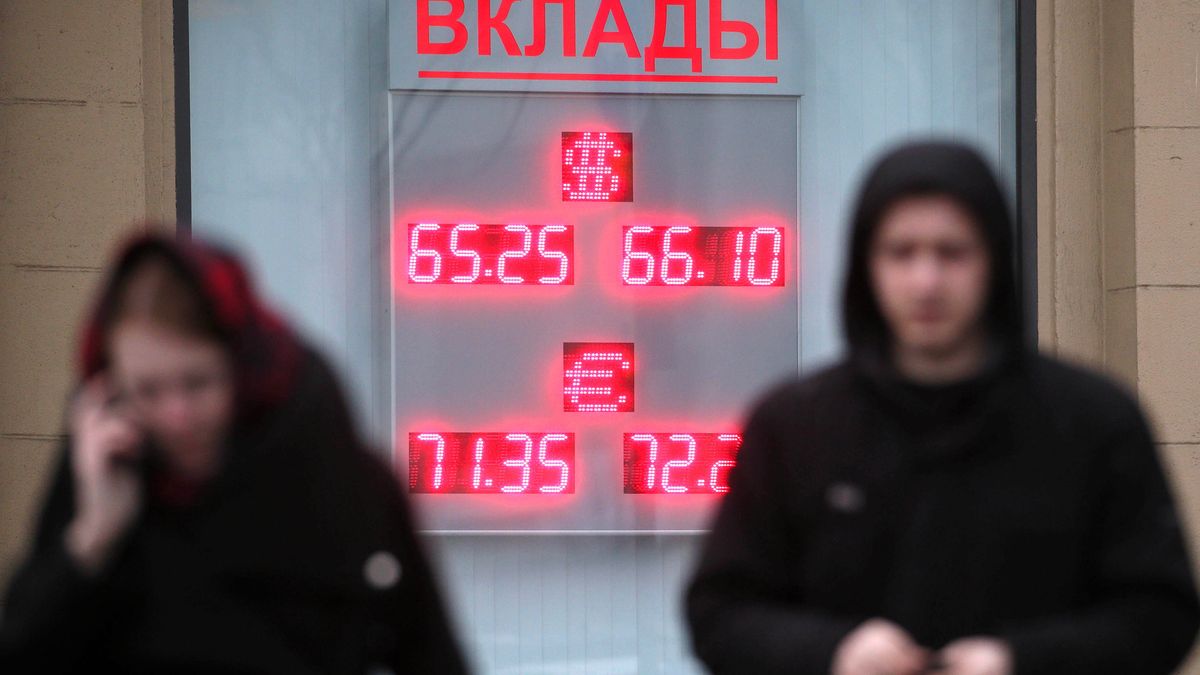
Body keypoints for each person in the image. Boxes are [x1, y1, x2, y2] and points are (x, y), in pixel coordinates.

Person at [685, 141, 1200, 675]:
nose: (926, 282)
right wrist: (833, 652)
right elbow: (719, 614)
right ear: (867, 266)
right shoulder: (794, 425)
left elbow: (1160, 614)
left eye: (952, 253)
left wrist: (1019, 661)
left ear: (994, 261)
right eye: (901, 253)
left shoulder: (1093, 421)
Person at [0, 233, 468, 674]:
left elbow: (430, 654)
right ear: (110, 389)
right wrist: (92, 539)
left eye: (198, 382)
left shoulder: (338, 477)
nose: (176, 416)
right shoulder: (102, 472)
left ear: (241, 368)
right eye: (147, 390)